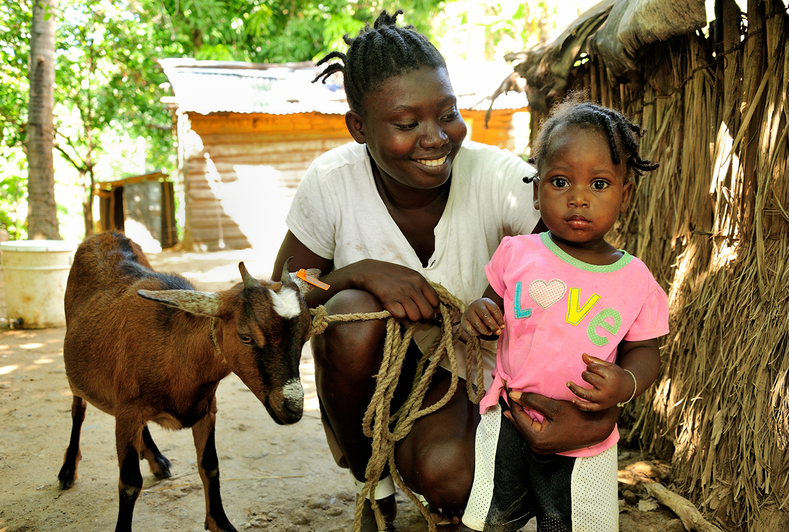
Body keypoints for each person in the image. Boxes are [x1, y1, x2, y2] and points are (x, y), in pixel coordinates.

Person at [271, 11, 623, 531]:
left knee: (452, 478)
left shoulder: (499, 175)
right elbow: (287, 290)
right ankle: (374, 486)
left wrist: (498, 294)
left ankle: (439, 466)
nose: (436, 137)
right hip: (367, 376)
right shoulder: (332, 182)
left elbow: (585, 259)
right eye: (407, 124)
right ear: (359, 127)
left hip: (467, 373)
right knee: (351, 312)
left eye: (448, 113)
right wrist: (359, 273)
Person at [457, 97, 670, 531]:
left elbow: (646, 351)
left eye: (599, 185)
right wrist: (477, 313)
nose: (577, 199)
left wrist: (625, 383)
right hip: (510, 421)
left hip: (585, 436)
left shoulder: (636, 280)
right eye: (559, 182)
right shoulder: (517, 253)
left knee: (574, 524)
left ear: (624, 194)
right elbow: (489, 303)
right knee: (489, 520)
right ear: (536, 192)